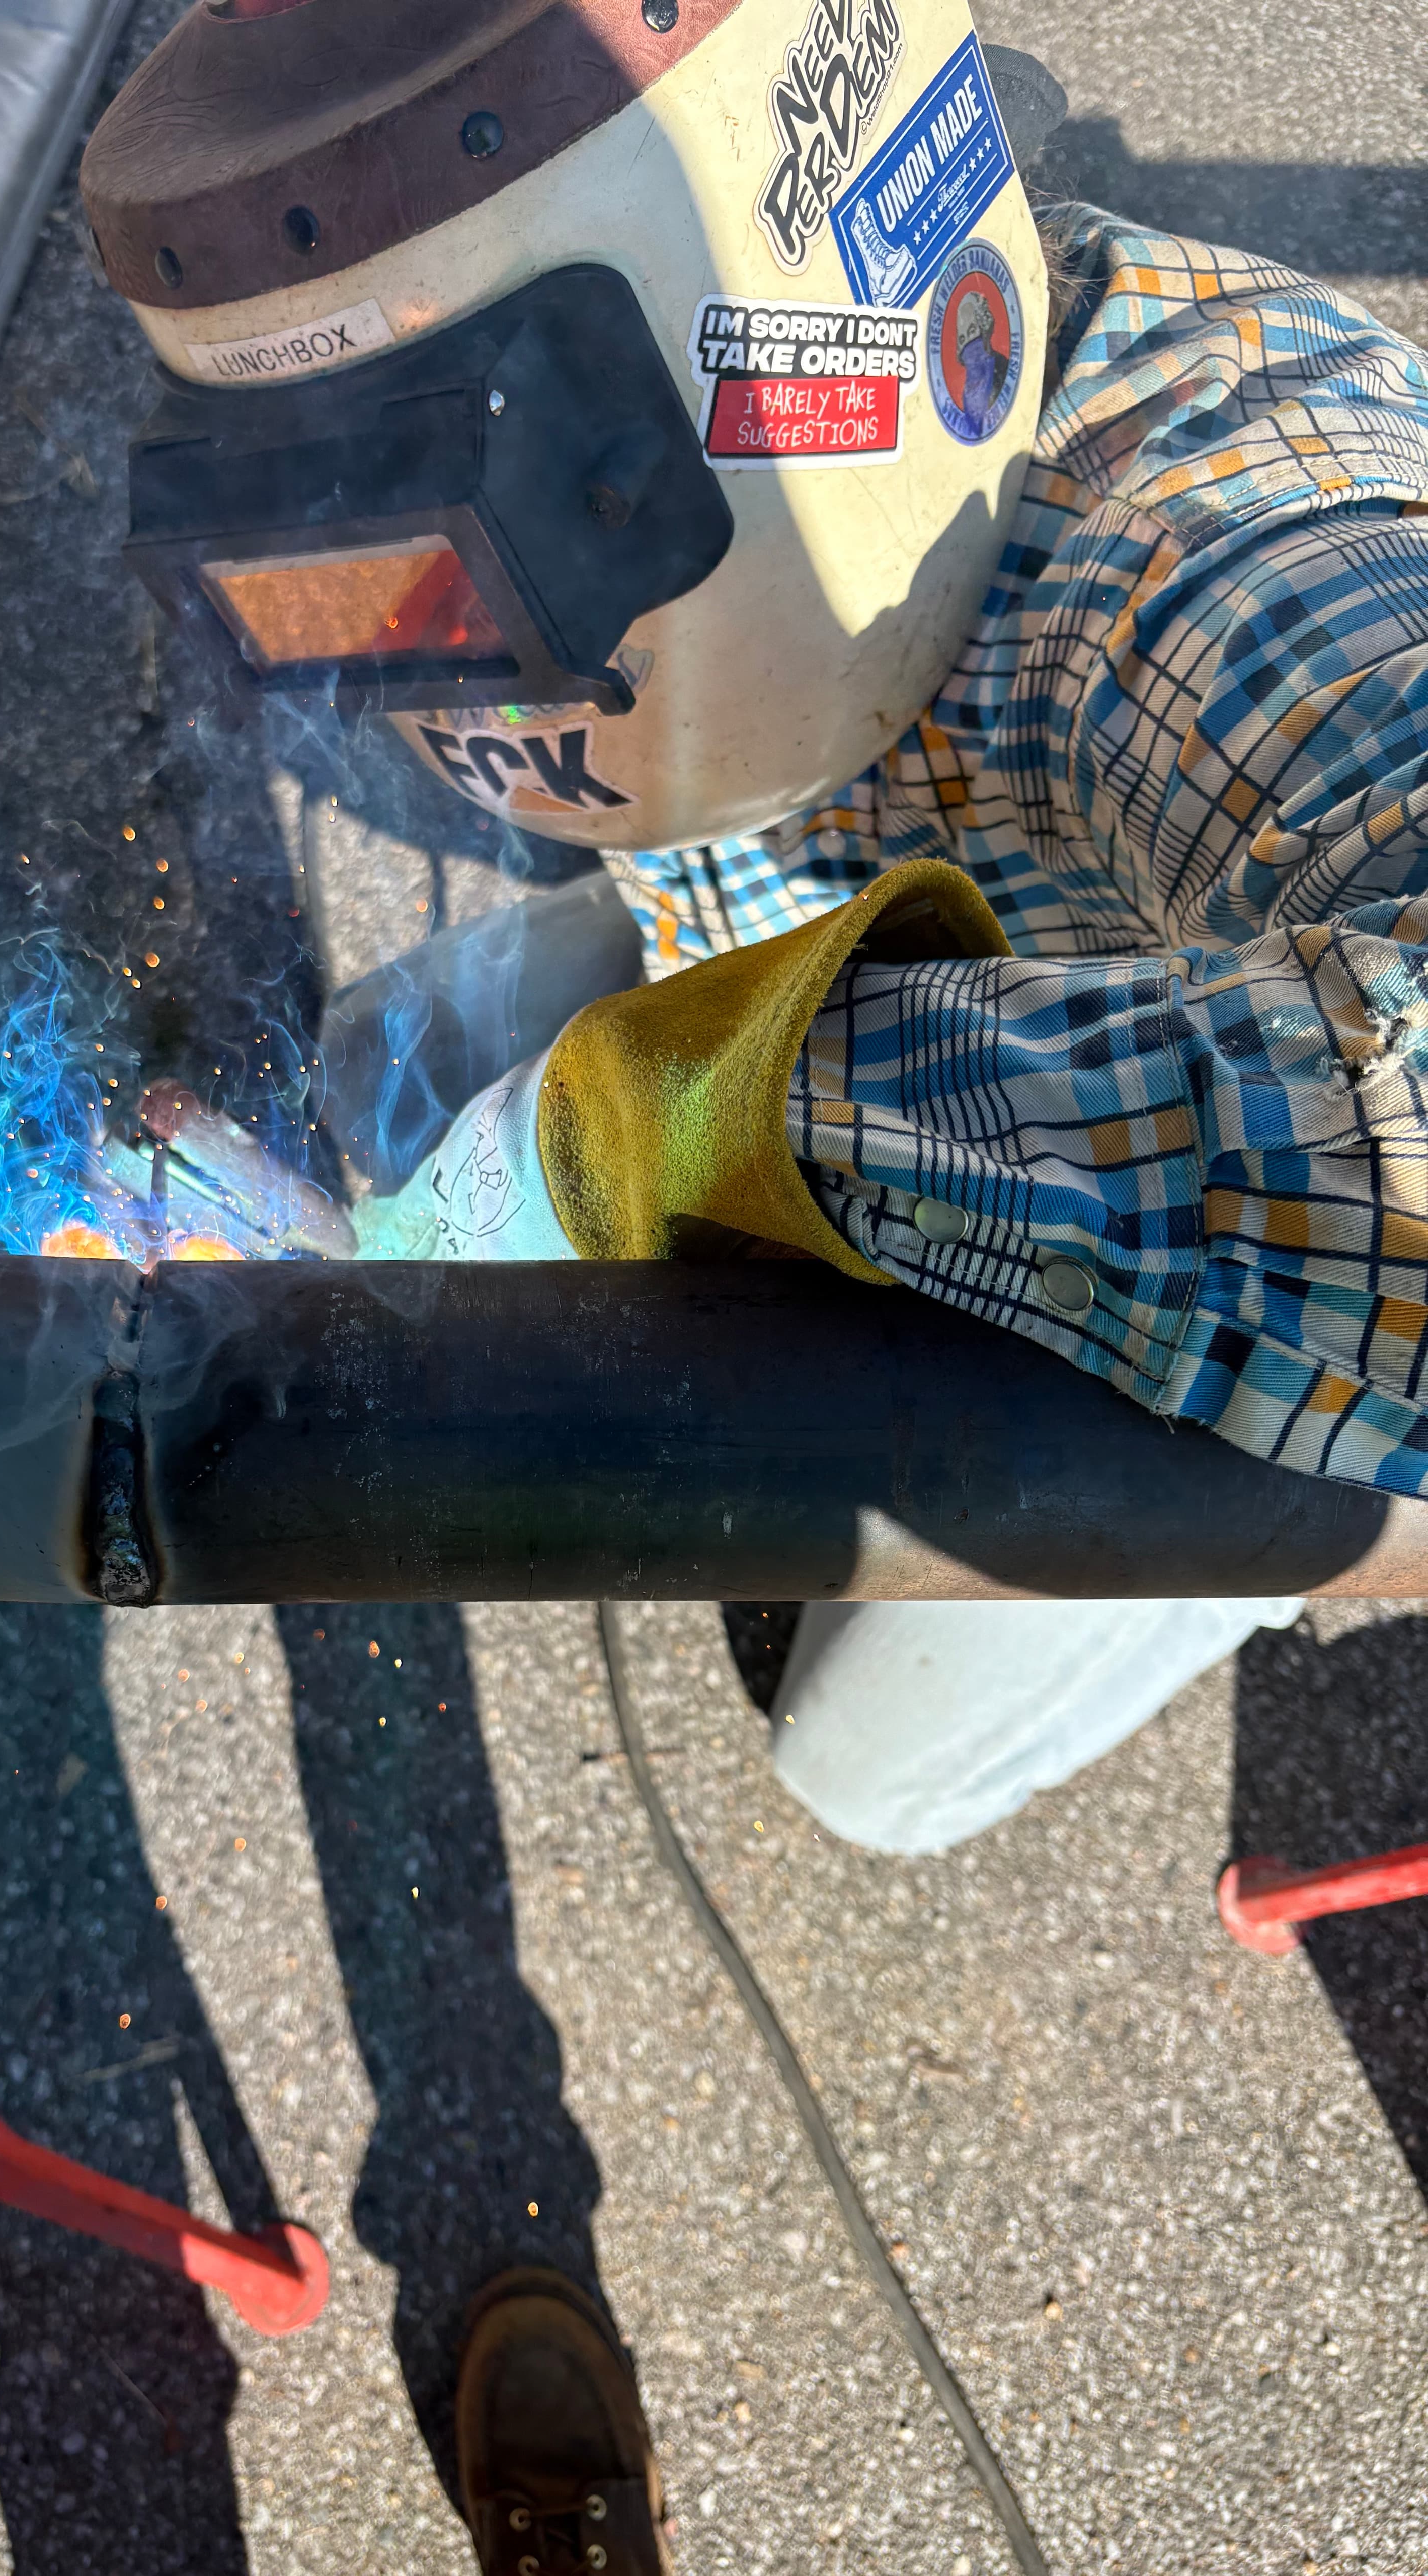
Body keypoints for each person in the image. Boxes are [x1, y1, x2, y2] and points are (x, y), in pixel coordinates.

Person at [82, 6, 1428, 2562]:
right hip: (810, 877)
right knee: (439, 1053)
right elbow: (653, 786)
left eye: (476, 569)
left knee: (857, 1769)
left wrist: (678, 1132)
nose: (452, 725)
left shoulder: (1211, 568)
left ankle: (1153, 1528)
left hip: (1271, 1283)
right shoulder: (799, 562)